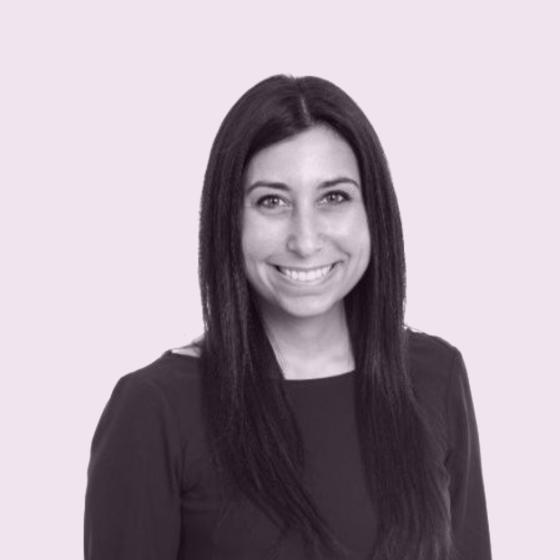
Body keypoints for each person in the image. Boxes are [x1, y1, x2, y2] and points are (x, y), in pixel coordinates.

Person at [83, 75, 492, 560]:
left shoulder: (434, 376)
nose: (305, 240)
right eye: (271, 202)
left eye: (333, 197)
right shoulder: (156, 408)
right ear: (229, 220)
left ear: (373, 212)